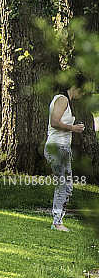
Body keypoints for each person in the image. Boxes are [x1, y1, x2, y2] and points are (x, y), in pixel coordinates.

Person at [45, 74, 86, 232]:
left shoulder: (62, 100)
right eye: (81, 91)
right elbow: (54, 122)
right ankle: (57, 223)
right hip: (58, 147)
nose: (81, 94)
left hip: (62, 148)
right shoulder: (63, 99)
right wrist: (73, 128)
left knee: (66, 186)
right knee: (64, 185)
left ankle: (58, 220)